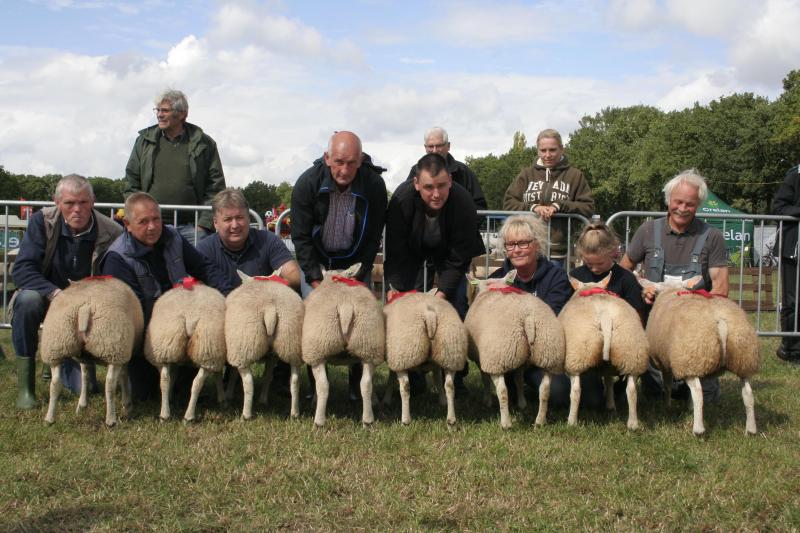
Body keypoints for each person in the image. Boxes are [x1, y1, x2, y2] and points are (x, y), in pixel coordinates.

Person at [100, 192, 235, 400]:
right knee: (144, 395)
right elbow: (131, 311)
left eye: (156, 219)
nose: (152, 227)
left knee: (184, 391)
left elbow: (203, 267)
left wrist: (232, 297)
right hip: (146, 333)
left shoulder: (174, 237)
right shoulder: (117, 258)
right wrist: (170, 329)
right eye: (143, 222)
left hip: (181, 320)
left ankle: (189, 371)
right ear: (127, 223)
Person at [10, 174, 122, 409]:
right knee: (26, 300)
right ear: (57, 203)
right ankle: (26, 389)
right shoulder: (42, 222)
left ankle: (64, 361)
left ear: (93, 202)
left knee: (87, 390)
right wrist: (55, 294)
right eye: (70, 203)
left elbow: (113, 279)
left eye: (83, 202)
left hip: (87, 307)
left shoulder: (112, 231)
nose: (77, 209)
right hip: (48, 296)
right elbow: (22, 269)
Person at [291, 131, 388, 400]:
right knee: (314, 322)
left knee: (360, 322)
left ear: (361, 161)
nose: (344, 170)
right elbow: (300, 237)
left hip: (353, 262)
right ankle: (315, 388)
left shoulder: (374, 186)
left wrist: (360, 274)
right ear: (327, 158)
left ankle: (357, 387)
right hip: (318, 260)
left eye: (351, 163)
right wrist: (314, 280)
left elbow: (372, 237)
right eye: (338, 162)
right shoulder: (306, 184)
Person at [620, 169, 728, 401]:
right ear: (668, 200)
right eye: (678, 201)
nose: (682, 208)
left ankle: (699, 383)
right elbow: (623, 270)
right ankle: (657, 380)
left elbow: (721, 288)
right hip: (655, 320)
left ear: (698, 204)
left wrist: (700, 311)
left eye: (690, 204)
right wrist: (641, 289)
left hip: (694, 323)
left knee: (705, 398)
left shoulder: (713, 237)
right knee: (656, 395)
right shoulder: (647, 231)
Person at [386, 153, 484, 395]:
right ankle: (413, 370)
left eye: (441, 186)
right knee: (409, 309)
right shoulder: (401, 200)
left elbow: (459, 257)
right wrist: (397, 288)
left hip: (449, 251)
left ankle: (456, 373)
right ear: (417, 184)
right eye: (429, 187)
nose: (436, 194)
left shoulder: (463, 203)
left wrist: (441, 296)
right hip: (411, 251)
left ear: (450, 180)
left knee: (456, 305)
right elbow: (396, 250)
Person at [196, 188, 301, 391]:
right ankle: (226, 372)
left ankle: (281, 375)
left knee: (292, 300)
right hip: (227, 315)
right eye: (227, 219)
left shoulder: (267, 240)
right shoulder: (204, 249)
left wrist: (266, 288)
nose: (235, 225)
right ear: (216, 223)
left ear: (248, 218)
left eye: (240, 218)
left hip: (264, 313)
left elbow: (294, 275)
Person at [485, 213, 577, 407]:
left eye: (523, 243)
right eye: (510, 245)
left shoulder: (556, 277)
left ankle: (533, 386)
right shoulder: (497, 279)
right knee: (505, 399)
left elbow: (552, 315)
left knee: (560, 395)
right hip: (507, 353)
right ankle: (511, 387)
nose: (516, 250)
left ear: (537, 244)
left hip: (541, 353)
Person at [124, 89, 226, 243]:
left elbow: (216, 186)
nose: (159, 114)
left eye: (164, 110)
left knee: (197, 267)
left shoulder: (205, 143)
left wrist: (204, 225)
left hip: (193, 228)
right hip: (152, 227)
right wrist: (139, 218)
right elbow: (131, 181)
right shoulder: (143, 141)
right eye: (157, 110)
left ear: (182, 114)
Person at [570, 222, 648, 402]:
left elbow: (637, 316)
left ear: (613, 252)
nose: (595, 269)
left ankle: (622, 386)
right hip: (586, 343)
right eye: (589, 264)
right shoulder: (577, 277)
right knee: (592, 401)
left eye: (600, 263)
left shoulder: (625, 278)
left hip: (618, 340)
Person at [503, 128, 594, 261]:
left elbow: (588, 207)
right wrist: (533, 208)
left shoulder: (574, 175)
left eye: (552, 150)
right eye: (543, 150)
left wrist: (560, 206)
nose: (547, 155)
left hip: (557, 252)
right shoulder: (526, 174)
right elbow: (509, 202)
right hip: (525, 249)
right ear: (537, 150)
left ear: (562, 149)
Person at [405, 127, 487, 209]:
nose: (434, 150)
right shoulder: (415, 171)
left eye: (439, 146)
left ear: (448, 146)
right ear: (425, 147)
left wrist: (461, 217)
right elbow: (406, 201)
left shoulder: (463, 172)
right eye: (430, 146)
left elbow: (480, 207)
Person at [771, 163, 800, 365]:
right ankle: (790, 348)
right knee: (793, 301)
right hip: (794, 249)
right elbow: (779, 207)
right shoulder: (795, 175)